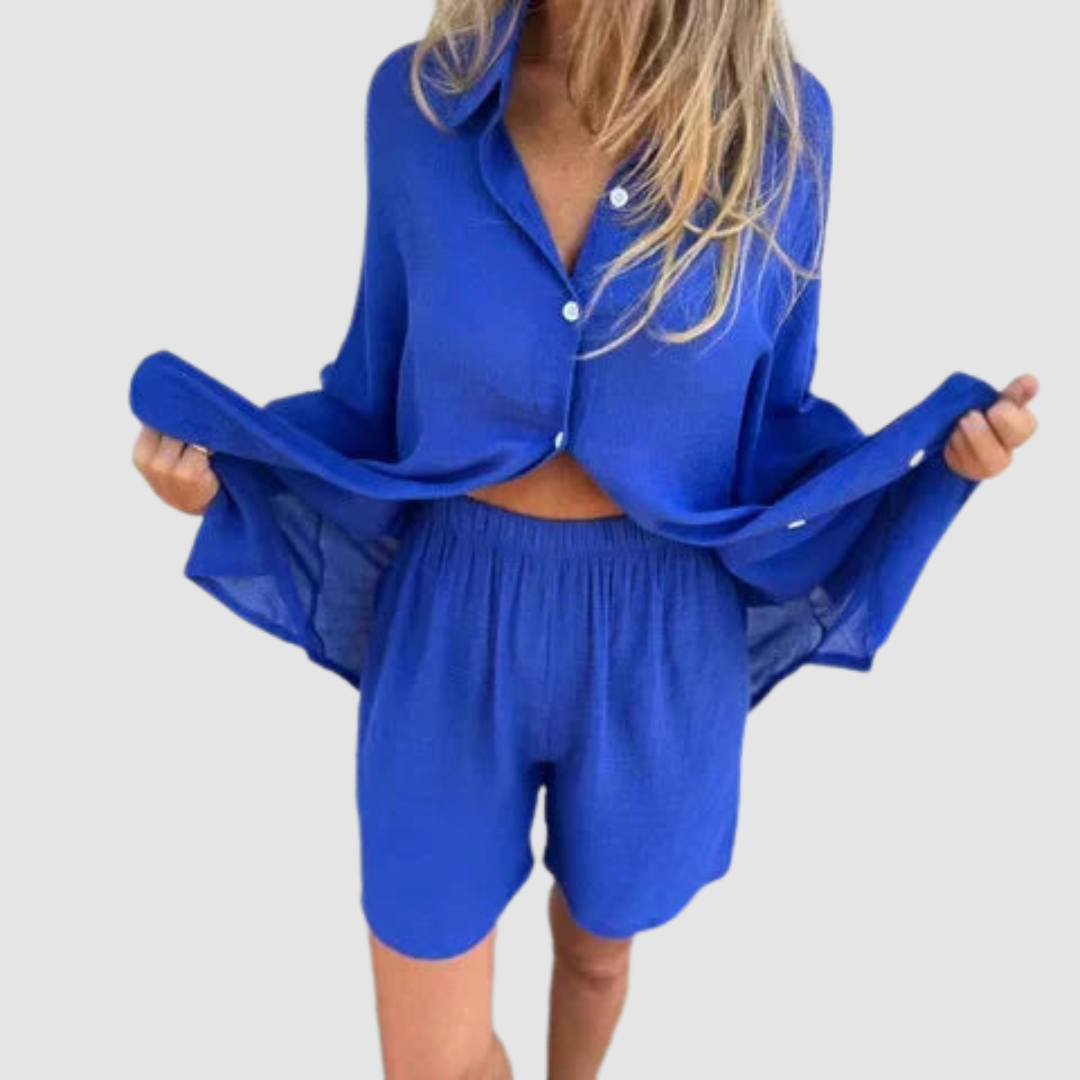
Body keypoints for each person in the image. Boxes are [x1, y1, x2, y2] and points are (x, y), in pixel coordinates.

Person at [129, 1, 1038, 1076]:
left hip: (661, 637)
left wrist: (941, 466)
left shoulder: (781, 129)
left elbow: (776, 420)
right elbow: (372, 391)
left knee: (599, 957)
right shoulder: (419, 103)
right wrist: (226, 482)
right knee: (430, 1061)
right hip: (451, 621)